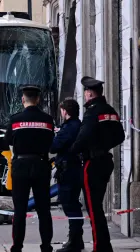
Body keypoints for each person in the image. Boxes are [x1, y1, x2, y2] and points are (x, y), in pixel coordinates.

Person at [69, 76, 125, 252]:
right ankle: (104, 245)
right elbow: (120, 136)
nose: (85, 95)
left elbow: (83, 137)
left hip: (92, 164)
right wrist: (104, 144)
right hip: (105, 161)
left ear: (89, 93)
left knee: (94, 209)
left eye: (86, 92)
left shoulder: (92, 112)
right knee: (98, 207)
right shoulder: (110, 110)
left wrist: (71, 152)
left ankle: (100, 247)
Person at [4, 85, 55, 252]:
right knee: (43, 209)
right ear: (38, 99)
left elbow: (8, 141)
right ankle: (46, 246)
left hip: (20, 166)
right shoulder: (48, 120)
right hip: (41, 165)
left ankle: (17, 246)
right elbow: (51, 142)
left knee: (19, 210)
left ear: (22, 99)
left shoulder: (15, 119)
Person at [50, 98, 84, 252]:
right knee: (72, 204)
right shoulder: (77, 125)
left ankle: (74, 242)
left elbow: (54, 146)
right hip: (73, 169)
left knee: (69, 205)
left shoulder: (70, 127)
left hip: (69, 170)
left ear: (65, 111)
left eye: (62, 110)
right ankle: (76, 240)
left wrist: (53, 137)